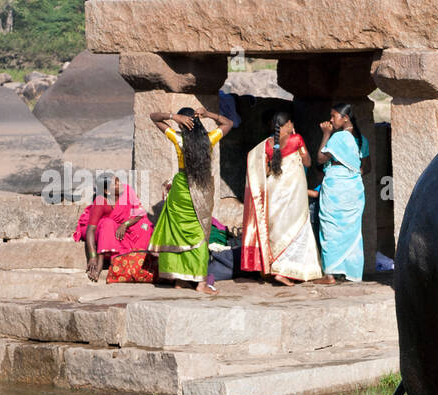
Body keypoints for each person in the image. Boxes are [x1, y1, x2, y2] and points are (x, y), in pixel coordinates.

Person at [148, 105, 233, 294]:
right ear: (198, 122)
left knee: (178, 234)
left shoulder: (178, 139)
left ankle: (180, 280)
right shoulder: (209, 139)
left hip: (181, 191)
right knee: (200, 235)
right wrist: (208, 113)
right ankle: (201, 284)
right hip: (201, 190)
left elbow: (154, 117)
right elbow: (228, 123)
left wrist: (172, 117)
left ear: (181, 122)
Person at [242, 111, 323, 285]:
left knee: (276, 230)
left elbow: (266, 170)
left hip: (274, 190)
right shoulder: (296, 139)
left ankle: (273, 268)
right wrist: (296, 138)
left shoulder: (268, 144)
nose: (293, 125)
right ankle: (283, 270)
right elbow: (307, 162)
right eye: (291, 123)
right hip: (293, 193)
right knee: (297, 227)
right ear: (288, 124)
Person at [314, 103, 368, 285]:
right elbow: (365, 167)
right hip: (353, 187)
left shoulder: (338, 138)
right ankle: (349, 272)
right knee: (351, 230)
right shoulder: (361, 140)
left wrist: (326, 135)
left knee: (330, 227)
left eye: (334, 116)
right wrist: (351, 174)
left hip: (337, 186)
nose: (330, 120)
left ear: (345, 118)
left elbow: (321, 159)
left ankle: (329, 274)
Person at [74, 172, 155, 283]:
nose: (120, 184)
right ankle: (102, 262)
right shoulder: (100, 202)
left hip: (121, 226)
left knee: (145, 225)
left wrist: (124, 225)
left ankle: (140, 260)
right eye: (115, 183)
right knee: (108, 223)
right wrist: (92, 257)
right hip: (101, 229)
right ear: (107, 191)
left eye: (118, 180)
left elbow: (139, 213)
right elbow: (91, 230)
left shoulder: (127, 191)